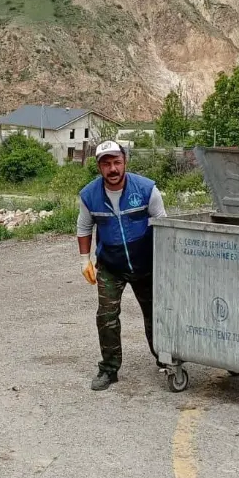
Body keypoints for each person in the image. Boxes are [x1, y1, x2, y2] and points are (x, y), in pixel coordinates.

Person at [77, 140, 166, 390]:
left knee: (155, 314)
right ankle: (109, 369)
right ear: (99, 167)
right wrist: (85, 260)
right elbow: (84, 227)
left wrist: (165, 260)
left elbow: (162, 223)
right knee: (106, 316)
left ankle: (164, 357)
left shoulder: (147, 189)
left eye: (117, 162)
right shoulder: (89, 195)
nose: (112, 168)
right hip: (110, 266)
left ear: (125, 162)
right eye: (106, 164)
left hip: (146, 263)